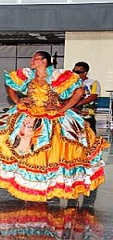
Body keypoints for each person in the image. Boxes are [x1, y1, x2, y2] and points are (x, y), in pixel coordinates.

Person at [0, 51, 109, 202]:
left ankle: (51, 184)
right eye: (32, 58)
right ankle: (34, 186)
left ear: (45, 61)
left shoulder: (57, 76)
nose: (32, 61)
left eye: (35, 58)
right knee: (18, 144)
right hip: (30, 115)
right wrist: (17, 101)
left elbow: (79, 91)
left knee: (58, 149)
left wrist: (64, 108)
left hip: (53, 116)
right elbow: (10, 85)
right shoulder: (28, 75)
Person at [69, 61, 101, 208]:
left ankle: (88, 166)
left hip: (87, 117)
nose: (76, 73)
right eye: (75, 70)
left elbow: (93, 96)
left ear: (85, 73)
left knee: (88, 143)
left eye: (79, 71)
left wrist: (78, 103)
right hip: (72, 118)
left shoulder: (94, 82)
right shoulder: (69, 82)